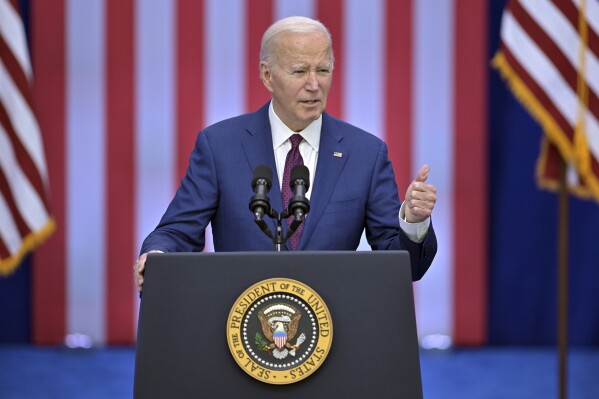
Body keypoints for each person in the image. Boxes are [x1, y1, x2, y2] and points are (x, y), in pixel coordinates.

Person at [134, 16, 437, 293]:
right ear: (267, 76)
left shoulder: (365, 154)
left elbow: (404, 266)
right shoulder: (219, 146)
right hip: (239, 325)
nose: (314, 85)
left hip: (333, 328)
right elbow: (178, 231)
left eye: (322, 70)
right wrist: (157, 257)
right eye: (300, 71)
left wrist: (412, 222)